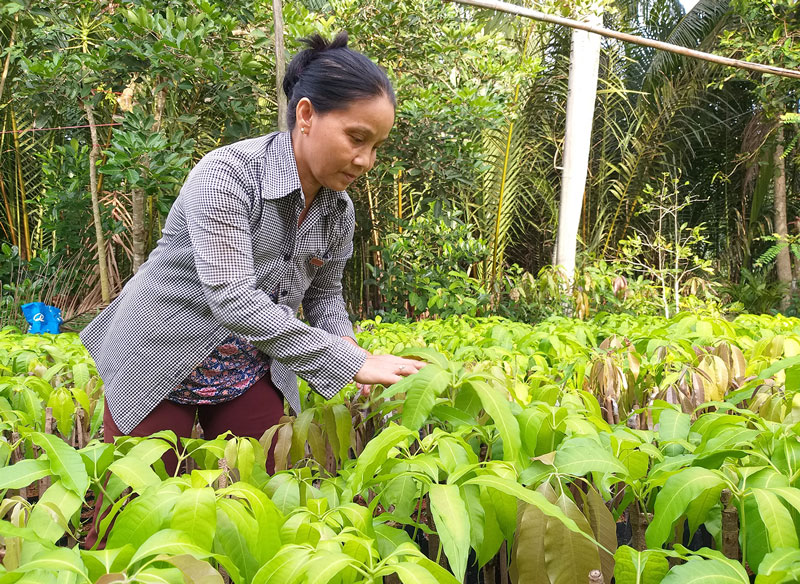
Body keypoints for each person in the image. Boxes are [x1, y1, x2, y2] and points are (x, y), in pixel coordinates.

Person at [80, 31, 425, 473]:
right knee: (133, 503)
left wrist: (346, 341)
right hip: (160, 352)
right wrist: (351, 362)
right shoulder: (228, 175)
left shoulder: (339, 210)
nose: (365, 161)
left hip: (249, 365)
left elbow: (324, 295)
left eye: (376, 146)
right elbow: (232, 298)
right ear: (306, 115)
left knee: (267, 488)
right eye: (356, 138)